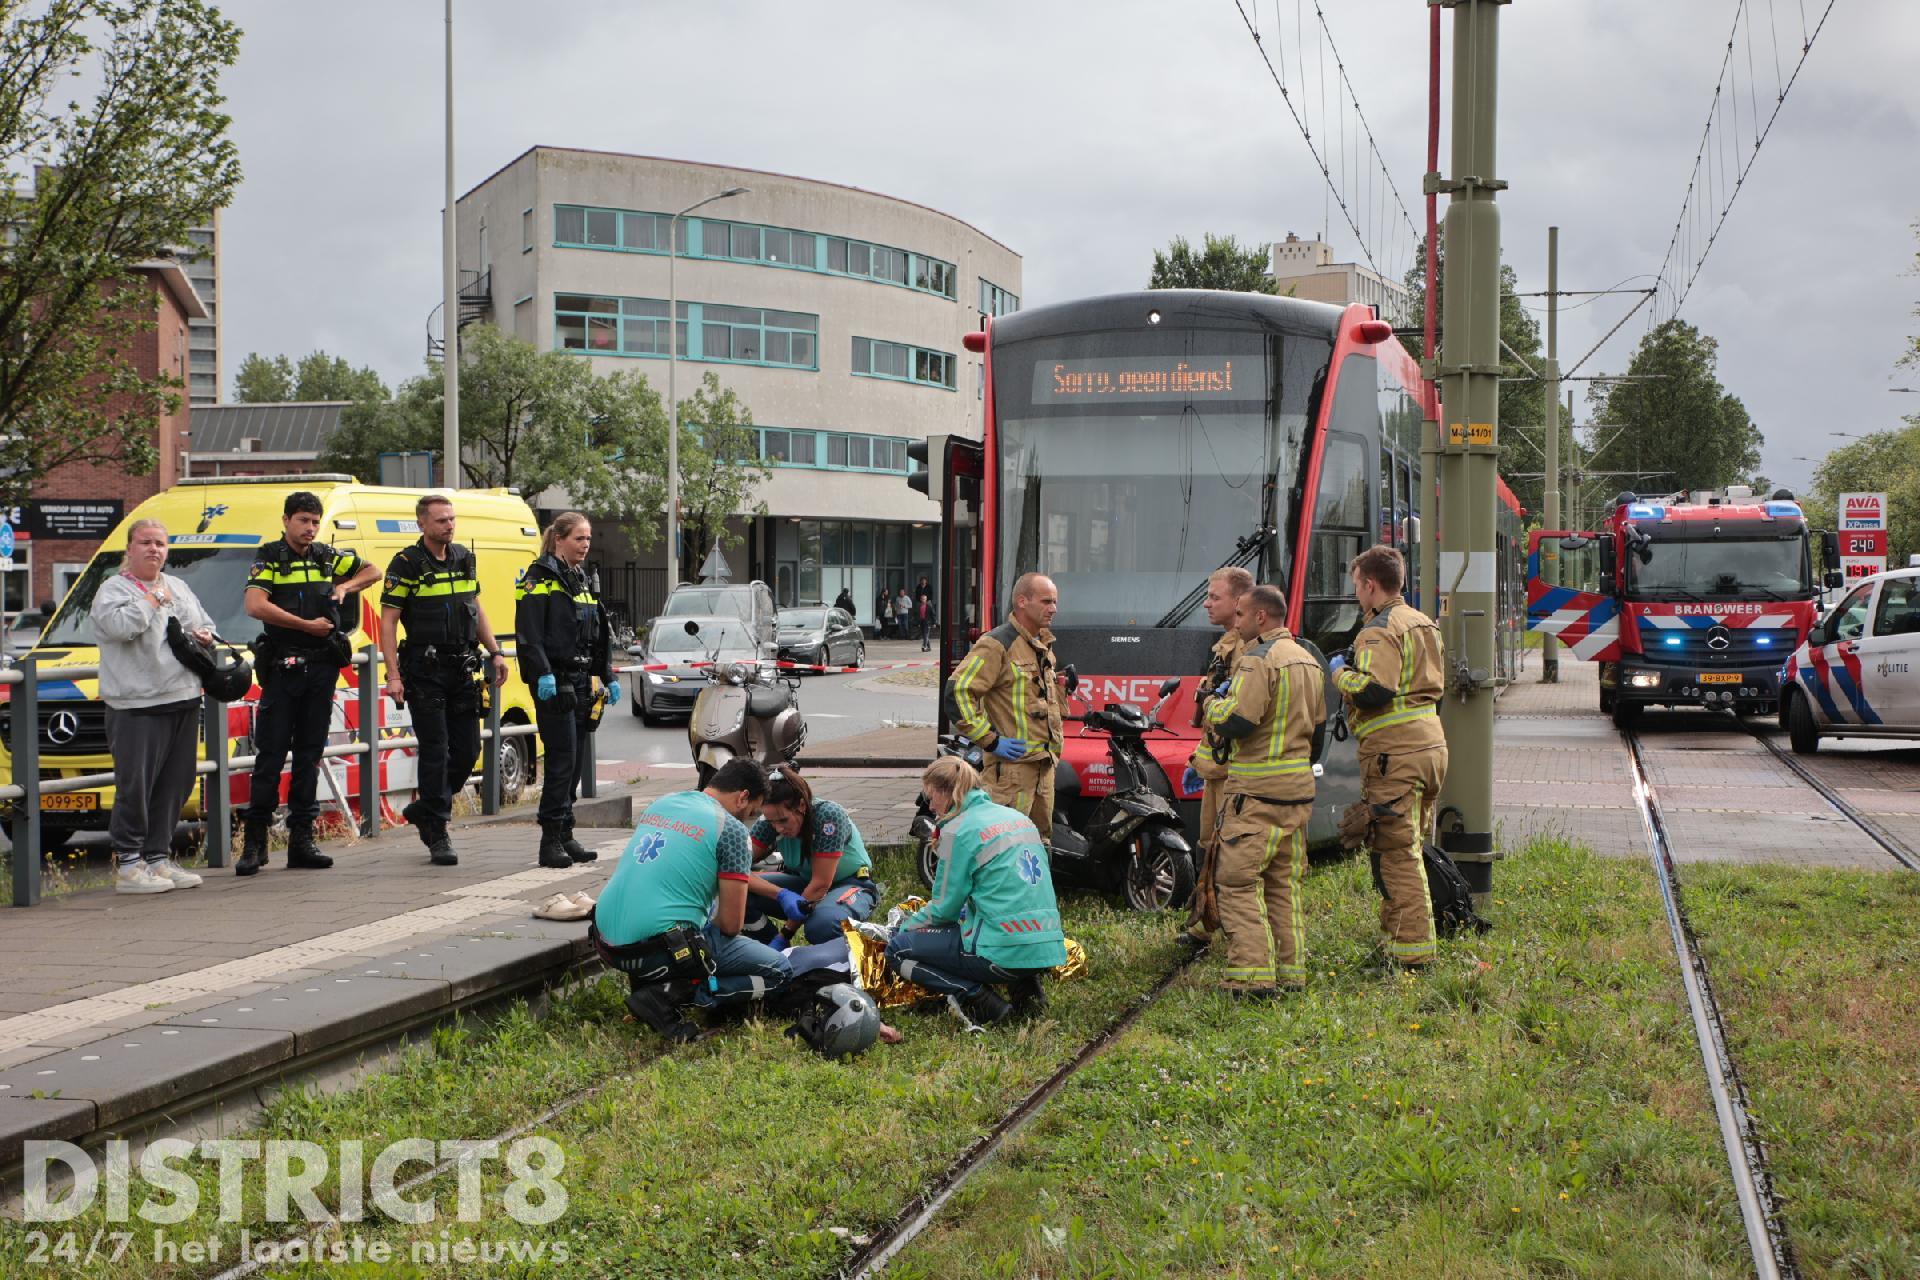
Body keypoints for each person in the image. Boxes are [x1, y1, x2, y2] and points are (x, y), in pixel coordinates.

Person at [591, 759, 792, 1041]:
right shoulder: (732, 831)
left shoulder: (664, 802)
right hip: (657, 949)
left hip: (606, 939)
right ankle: (680, 994)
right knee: (781, 971)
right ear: (742, 797)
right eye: (750, 812)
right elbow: (731, 925)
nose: (746, 820)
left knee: (699, 904)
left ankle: (649, 982)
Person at [237, 491, 382, 877]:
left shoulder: (325, 556)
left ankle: (302, 841)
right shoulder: (270, 556)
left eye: (315, 522)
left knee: (309, 756)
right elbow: (255, 605)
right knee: (269, 757)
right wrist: (306, 626)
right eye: (303, 520)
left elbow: (373, 570)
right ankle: (255, 844)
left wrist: (345, 588)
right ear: (286, 520)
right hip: (283, 667)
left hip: (320, 668)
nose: (310, 528)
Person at [1204, 584, 1326, 997]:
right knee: (1283, 886)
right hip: (1297, 792)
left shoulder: (1258, 659)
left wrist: (1211, 706)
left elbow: (1239, 720)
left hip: (1255, 793)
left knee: (1237, 883)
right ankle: (1291, 975)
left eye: (1239, 616)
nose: (1234, 623)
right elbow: (1319, 732)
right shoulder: (1309, 659)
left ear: (1260, 618)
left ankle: (1251, 978)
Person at [1331, 545, 1448, 970]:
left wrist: (1340, 673)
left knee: (1397, 854)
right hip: (1430, 747)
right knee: (1412, 847)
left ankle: (1412, 954)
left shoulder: (1378, 629)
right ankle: (1418, 938)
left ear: (1371, 585)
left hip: (1395, 755)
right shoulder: (1423, 622)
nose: (1357, 596)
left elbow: (1376, 690)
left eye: (1357, 587)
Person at [379, 494, 511, 867]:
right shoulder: (406, 564)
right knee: (435, 750)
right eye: (440, 520)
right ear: (422, 524)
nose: (449, 526)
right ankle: (438, 831)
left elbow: (476, 607)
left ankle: (426, 807)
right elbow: (388, 621)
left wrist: (495, 651)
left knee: (469, 750)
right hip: (425, 671)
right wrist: (393, 674)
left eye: (451, 519)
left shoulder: (463, 558)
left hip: (462, 669)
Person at [885, 756, 1065, 1025]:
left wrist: (904, 928)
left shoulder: (958, 830)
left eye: (931, 796)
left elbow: (943, 909)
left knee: (898, 950)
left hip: (1002, 952)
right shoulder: (1019, 819)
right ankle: (1026, 989)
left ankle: (979, 1000)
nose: (930, 806)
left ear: (949, 793)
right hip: (1047, 948)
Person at [90, 520, 215, 896]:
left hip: (183, 695)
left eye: (160, 543)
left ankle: (158, 859)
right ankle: (129, 865)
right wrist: (151, 599)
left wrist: (204, 635)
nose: (154, 550)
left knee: (176, 783)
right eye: (145, 542)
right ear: (129, 549)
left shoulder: (179, 586)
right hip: (136, 703)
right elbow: (118, 628)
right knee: (135, 786)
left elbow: (203, 622)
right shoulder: (112, 590)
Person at [516, 511, 620, 869]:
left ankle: (565, 833)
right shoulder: (538, 577)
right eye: (579, 538)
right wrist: (543, 673)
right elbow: (529, 633)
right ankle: (549, 841)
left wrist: (607, 675)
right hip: (555, 679)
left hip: (580, 679)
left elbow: (598, 632)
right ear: (558, 539)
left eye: (588, 538)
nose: (586, 544)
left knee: (574, 763)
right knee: (561, 761)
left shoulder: (580, 578)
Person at [946, 572, 1065, 837]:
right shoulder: (997, 643)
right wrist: (990, 741)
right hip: (1011, 775)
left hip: (1043, 770)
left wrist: (1061, 689)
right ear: (1022, 601)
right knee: (1004, 845)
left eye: (1055, 602)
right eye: (1047, 601)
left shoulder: (1041, 644)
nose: (1054, 609)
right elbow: (957, 693)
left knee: (1037, 845)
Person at [1177, 566, 1254, 950]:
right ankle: (1206, 923)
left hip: (1236, 772)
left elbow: (1236, 717)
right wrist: (1200, 762)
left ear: (1239, 602)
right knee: (1210, 844)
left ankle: (1221, 930)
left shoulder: (1246, 652)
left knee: (1228, 850)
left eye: (1214, 597)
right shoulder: (1226, 645)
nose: (1206, 603)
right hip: (1217, 768)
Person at [742, 769, 877, 945]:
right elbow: (735, 866)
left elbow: (820, 885)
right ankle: (769, 954)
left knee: (822, 926)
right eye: (771, 822)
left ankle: (860, 948)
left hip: (850, 883)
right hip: (805, 883)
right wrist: (780, 894)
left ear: (802, 806)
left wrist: (785, 934)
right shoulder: (771, 820)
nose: (777, 828)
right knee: (737, 891)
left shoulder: (828, 817)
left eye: (783, 821)